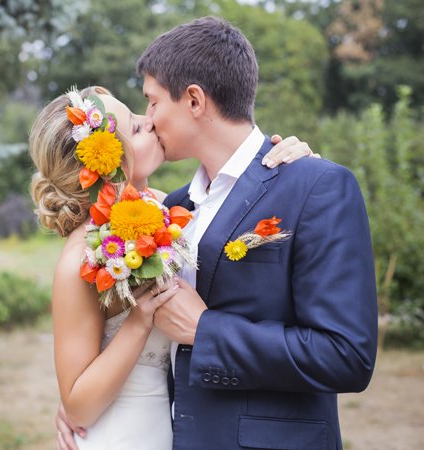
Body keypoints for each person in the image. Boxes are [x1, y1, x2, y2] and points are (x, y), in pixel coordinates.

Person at [56, 17, 378, 450]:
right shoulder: (169, 209)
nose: (148, 121)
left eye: (151, 103)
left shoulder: (315, 186)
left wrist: (206, 330)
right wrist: (89, 406)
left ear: (193, 100)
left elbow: (348, 357)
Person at [30, 86, 316, 449]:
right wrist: (139, 320)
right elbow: (80, 406)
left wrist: (298, 165)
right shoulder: (81, 257)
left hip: (183, 428)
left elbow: (255, 199)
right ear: (107, 166)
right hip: (124, 435)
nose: (149, 121)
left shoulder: (174, 209)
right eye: (135, 127)